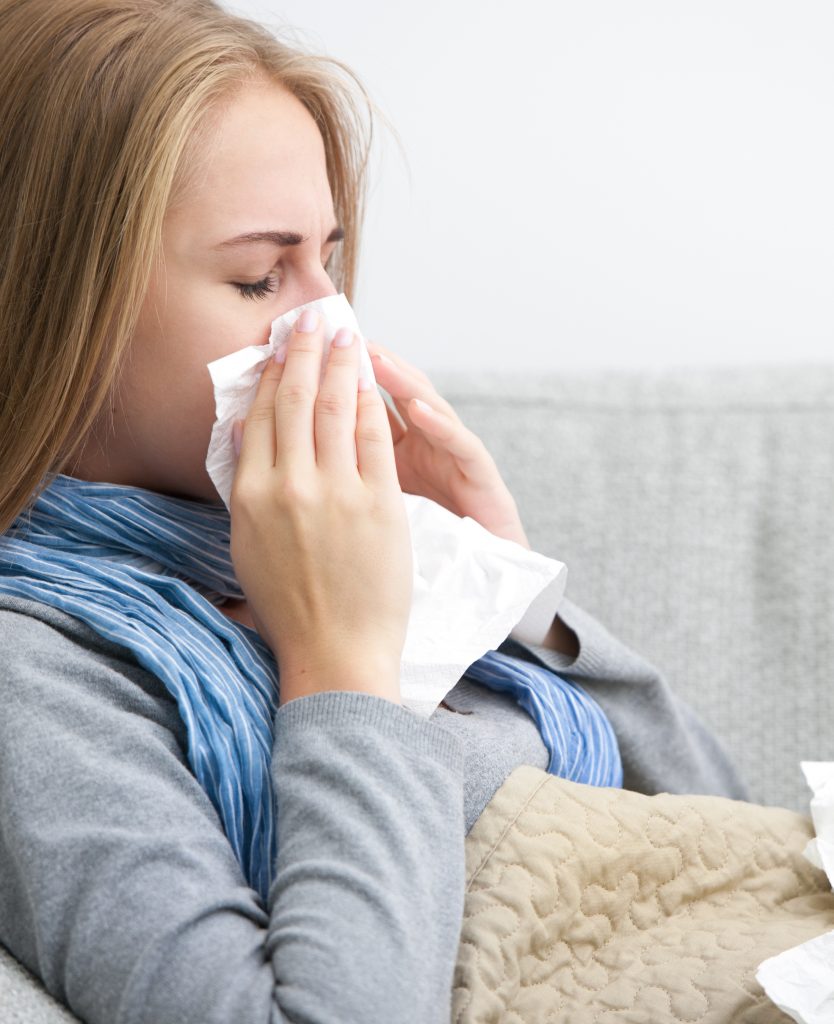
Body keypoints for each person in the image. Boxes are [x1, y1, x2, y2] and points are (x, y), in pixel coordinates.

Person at [0, 1, 749, 1022]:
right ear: (49, 308)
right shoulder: (38, 679)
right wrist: (339, 669)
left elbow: (732, 836)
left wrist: (504, 587)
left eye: (330, 262)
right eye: (262, 276)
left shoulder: (333, 553)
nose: (331, 322)